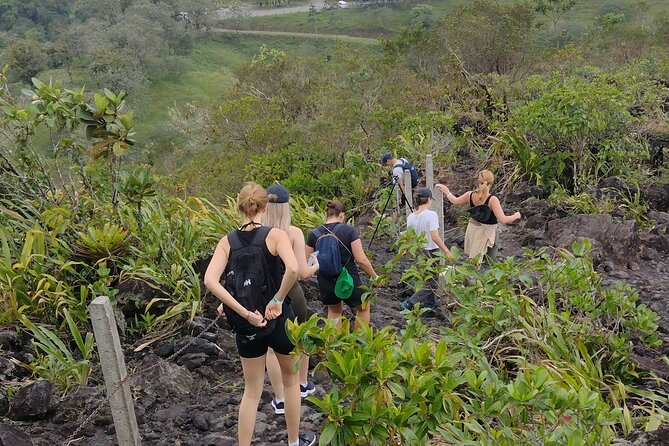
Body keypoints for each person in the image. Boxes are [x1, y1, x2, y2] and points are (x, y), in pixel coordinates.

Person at [204, 182, 317, 446]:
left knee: (251, 391)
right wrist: (277, 299)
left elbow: (211, 281)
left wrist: (243, 312)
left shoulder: (226, 242)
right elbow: (292, 269)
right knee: (291, 383)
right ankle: (293, 441)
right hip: (279, 320)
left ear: (239, 206)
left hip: (247, 326)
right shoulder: (275, 235)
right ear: (265, 206)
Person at [262, 183, 318, 415]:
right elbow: (302, 272)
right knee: (300, 339)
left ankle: (280, 398)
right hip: (291, 293)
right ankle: (302, 384)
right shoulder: (293, 232)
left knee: (271, 350)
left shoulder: (258, 232)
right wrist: (317, 265)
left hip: (265, 296)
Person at [305, 200, 379, 329]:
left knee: (334, 311)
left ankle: (335, 346)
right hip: (347, 278)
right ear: (342, 215)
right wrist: (375, 276)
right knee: (363, 306)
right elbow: (361, 260)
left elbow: (308, 260)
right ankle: (360, 344)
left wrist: (306, 275)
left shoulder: (314, 234)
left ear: (327, 214)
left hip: (325, 279)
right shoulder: (349, 231)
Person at [436, 170, 521, 264]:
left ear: (478, 181)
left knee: (474, 262)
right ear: (491, 183)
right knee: (489, 264)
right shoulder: (492, 200)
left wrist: (447, 192)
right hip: (487, 234)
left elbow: (455, 201)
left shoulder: (470, 195)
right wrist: (516, 215)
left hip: (473, 232)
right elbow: (504, 220)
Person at [400, 188, 453, 311]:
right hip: (431, 250)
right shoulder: (431, 215)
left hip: (419, 251)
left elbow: (409, 236)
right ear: (429, 199)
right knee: (432, 282)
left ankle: (431, 302)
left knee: (428, 276)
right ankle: (410, 302)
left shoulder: (411, 217)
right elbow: (434, 236)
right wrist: (446, 251)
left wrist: (406, 250)